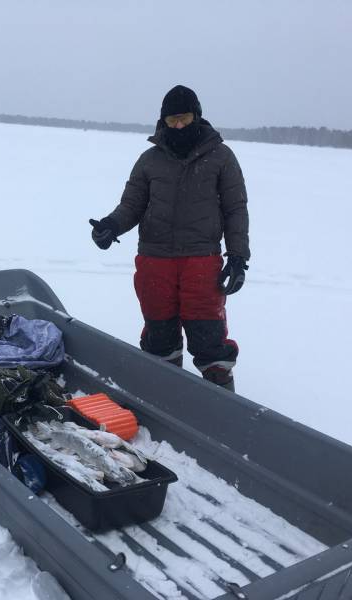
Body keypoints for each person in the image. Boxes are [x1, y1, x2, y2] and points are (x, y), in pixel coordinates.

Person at [89, 85, 249, 391]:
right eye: (172, 119)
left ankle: (220, 397)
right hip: (154, 259)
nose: (178, 125)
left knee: (208, 334)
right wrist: (111, 225)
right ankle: (163, 393)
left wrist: (238, 256)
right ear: (163, 120)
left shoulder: (221, 157)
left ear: (197, 117)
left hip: (201, 259)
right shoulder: (149, 159)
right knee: (159, 332)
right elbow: (132, 204)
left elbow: (235, 209)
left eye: (184, 118)